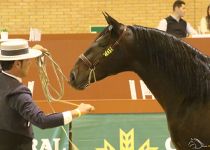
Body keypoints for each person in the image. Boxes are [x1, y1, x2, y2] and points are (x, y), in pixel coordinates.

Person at [0, 39, 95, 150]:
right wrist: (78, 111)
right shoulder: (18, 93)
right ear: (17, 64)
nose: (30, 63)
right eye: (27, 60)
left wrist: (31, 51)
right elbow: (42, 121)